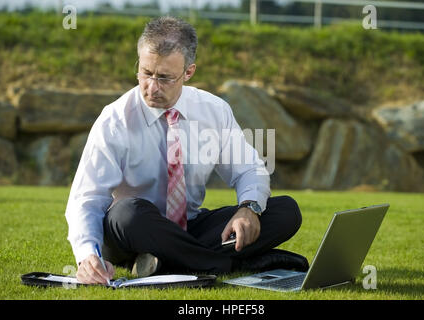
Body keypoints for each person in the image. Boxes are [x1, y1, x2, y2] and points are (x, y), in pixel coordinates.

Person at [65, 16, 308, 285]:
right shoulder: (115, 120)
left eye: (165, 77)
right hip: (131, 233)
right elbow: (86, 197)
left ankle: (161, 263)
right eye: (146, 73)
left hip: (190, 228)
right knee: (127, 214)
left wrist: (248, 209)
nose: (152, 87)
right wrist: (86, 256)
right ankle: (235, 262)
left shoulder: (214, 110)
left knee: (285, 210)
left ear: (189, 72)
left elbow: (249, 169)